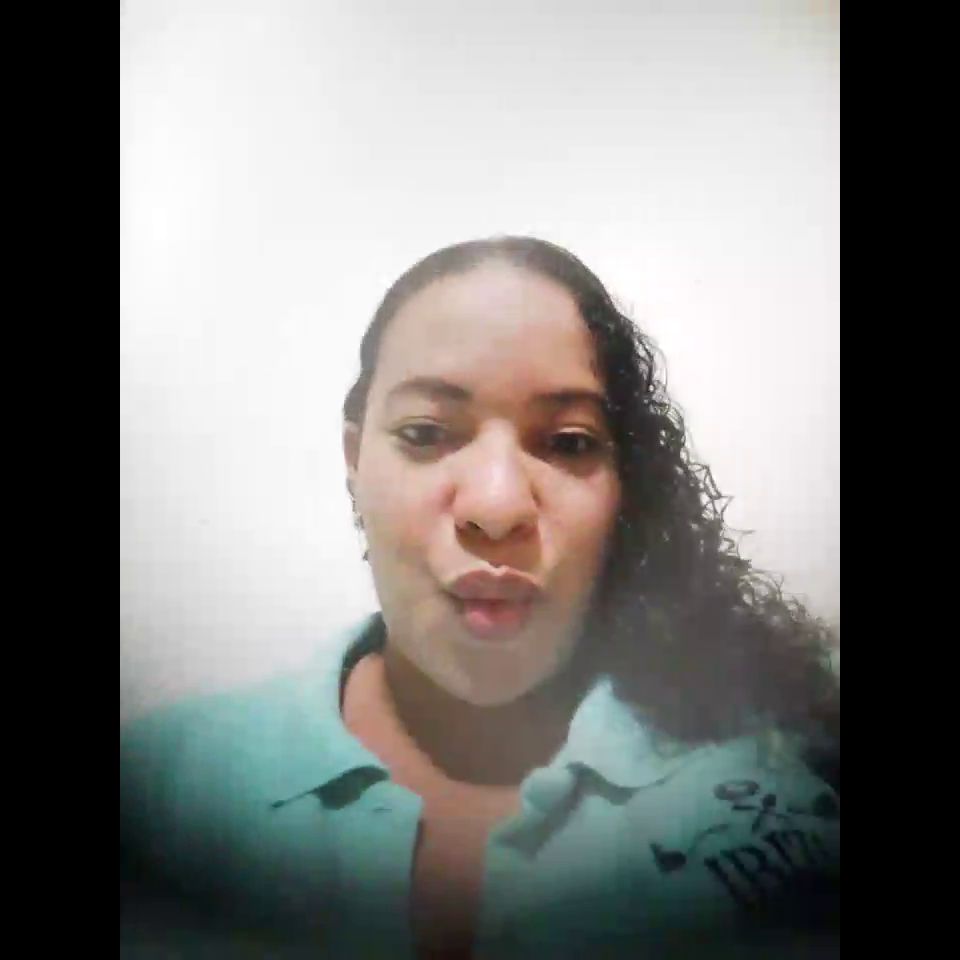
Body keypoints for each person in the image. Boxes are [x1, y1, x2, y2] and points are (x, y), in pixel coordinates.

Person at [120, 236, 840, 959]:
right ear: (355, 460)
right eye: (426, 432)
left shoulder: (777, 773)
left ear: (626, 486)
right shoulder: (155, 790)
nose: (497, 509)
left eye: (568, 442)